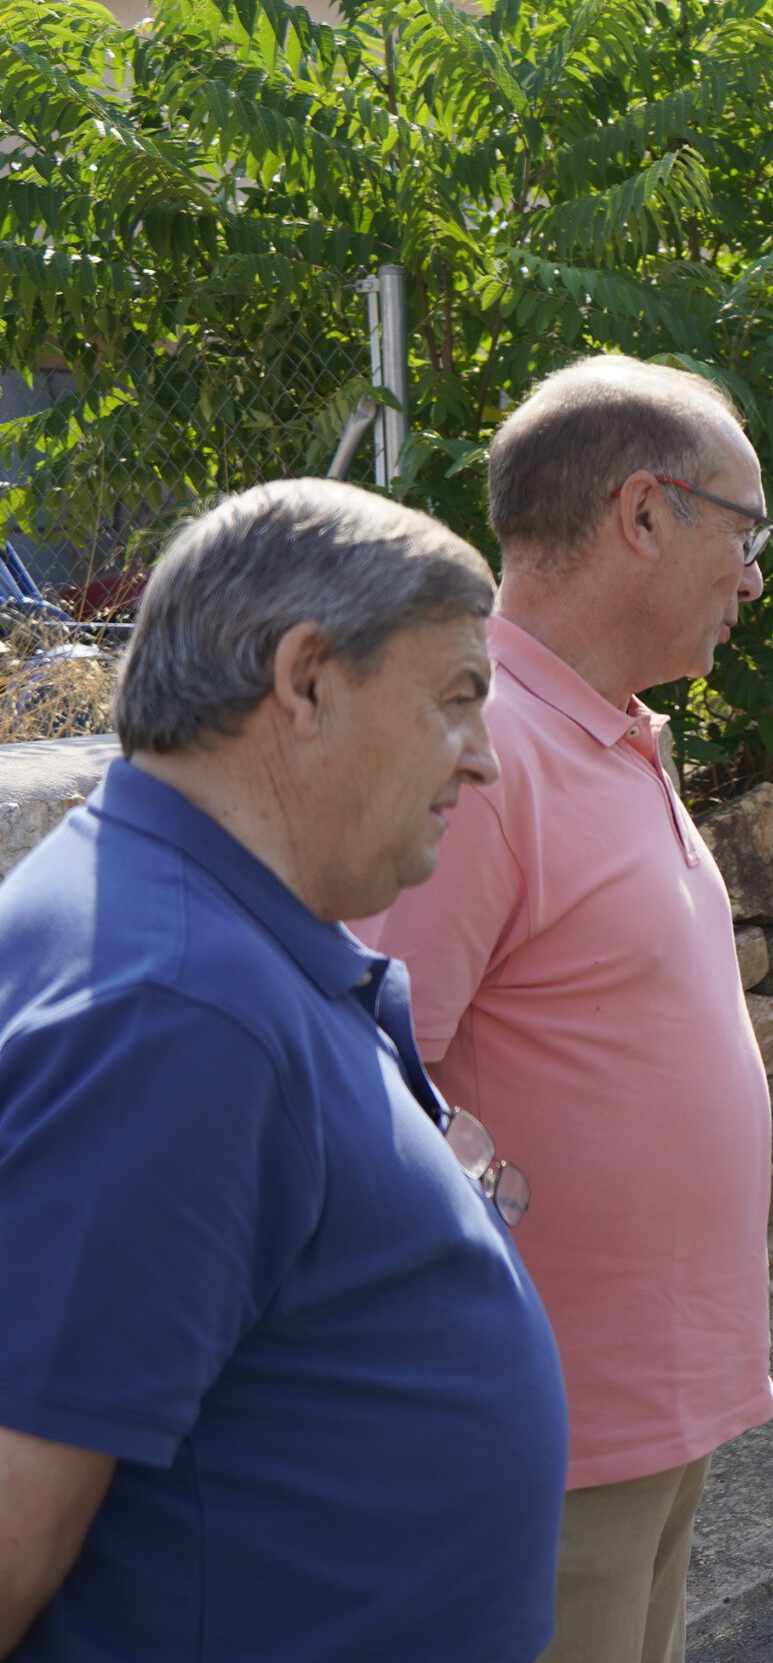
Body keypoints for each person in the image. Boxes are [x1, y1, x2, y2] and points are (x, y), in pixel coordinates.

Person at [0, 479, 567, 1660]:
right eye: (459, 699)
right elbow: (15, 1523)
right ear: (306, 679)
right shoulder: (174, 1012)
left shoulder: (205, 937)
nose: (485, 763)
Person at [360, 357, 773, 1663]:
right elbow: (368, 1077)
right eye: (745, 531)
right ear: (644, 514)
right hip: (540, 1437)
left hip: (637, 1418)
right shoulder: (483, 748)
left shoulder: (603, 727)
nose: (755, 576)